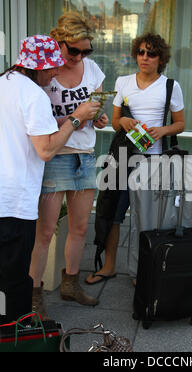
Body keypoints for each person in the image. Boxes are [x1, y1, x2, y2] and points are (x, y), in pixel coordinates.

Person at [0, 35, 100, 325]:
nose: (56, 72)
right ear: (37, 68)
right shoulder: (34, 94)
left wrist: (61, 120)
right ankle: (18, 332)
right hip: (14, 199)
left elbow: (23, 126)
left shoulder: (5, 82)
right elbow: (45, 150)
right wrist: (77, 119)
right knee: (14, 278)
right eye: (52, 67)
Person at [85, 33, 185, 285]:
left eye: (151, 53)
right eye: (141, 52)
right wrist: (124, 122)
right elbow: (116, 121)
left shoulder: (170, 86)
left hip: (153, 160)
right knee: (112, 212)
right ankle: (108, 266)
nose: (144, 57)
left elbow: (181, 124)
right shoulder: (123, 82)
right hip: (123, 156)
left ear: (160, 58)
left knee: (147, 218)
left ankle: (143, 268)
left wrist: (162, 130)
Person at [29, 12, 109, 317]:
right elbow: (39, 123)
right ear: (58, 43)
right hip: (56, 157)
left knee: (79, 226)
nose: (79, 56)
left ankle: (70, 283)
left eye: (85, 51)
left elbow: (97, 112)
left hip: (85, 156)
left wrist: (98, 118)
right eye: (73, 50)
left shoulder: (93, 70)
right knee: (46, 231)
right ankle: (34, 295)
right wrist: (76, 116)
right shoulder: (46, 74)